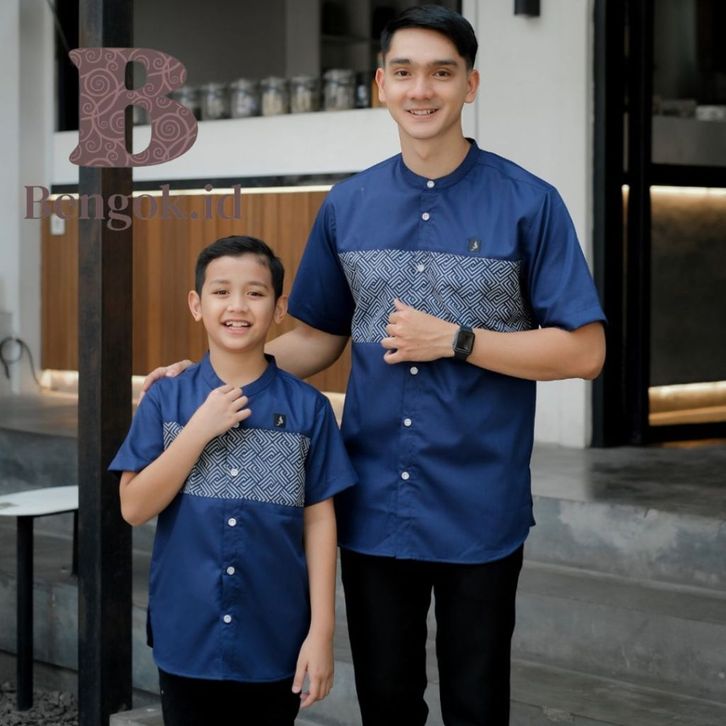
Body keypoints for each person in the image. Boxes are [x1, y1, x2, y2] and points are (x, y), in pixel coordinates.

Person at [144, 6, 606, 724]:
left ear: (470, 85)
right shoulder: (347, 206)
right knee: (387, 705)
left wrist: (459, 340)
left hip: (479, 504)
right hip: (371, 504)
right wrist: (213, 371)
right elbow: (316, 339)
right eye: (404, 72)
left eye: (442, 73)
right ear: (380, 86)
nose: (422, 89)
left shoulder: (529, 203)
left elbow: (585, 350)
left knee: (477, 705)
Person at [110, 236, 357, 726]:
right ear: (196, 305)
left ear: (279, 308)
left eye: (255, 293)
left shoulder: (309, 409)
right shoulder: (166, 400)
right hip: (187, 634)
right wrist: (197, 431)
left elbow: (319, 522)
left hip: (275, 635)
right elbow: (133, 507)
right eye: (221, 292)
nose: (237, 306)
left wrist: (322, 632)